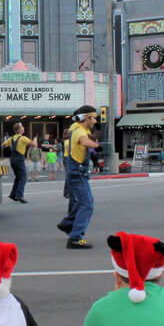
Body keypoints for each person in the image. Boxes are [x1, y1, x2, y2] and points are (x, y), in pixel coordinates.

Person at [57, 106, 100, 249]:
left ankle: (68, 223)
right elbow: (84, 141)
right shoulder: (79, 131)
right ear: (86, 118)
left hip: (77, 172)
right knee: (87, 204)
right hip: (78, 173)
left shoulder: (76, 129)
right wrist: (96, 145)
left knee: (82, 202)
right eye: (93, 118)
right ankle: (75, 238)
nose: (95, 121)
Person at [2, 123, 36, 203]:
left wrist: (8, 144)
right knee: (23, 177)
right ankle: (19, 195)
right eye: (22, 127)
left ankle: (13, 194)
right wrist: (35, 139)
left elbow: (2, 145)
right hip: (19, 159)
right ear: (19, 130)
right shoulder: (23, 138)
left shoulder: (11, 138)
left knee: (18, 177)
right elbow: (33, 145)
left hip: (12, 159)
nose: (23, 128)